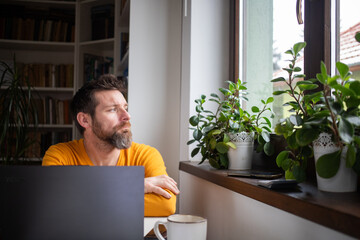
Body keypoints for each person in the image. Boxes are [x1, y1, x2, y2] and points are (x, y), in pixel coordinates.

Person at [42, 74, 179, 216]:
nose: (127, 116)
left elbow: (166, 205)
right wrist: (133, 186)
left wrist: (85, 198)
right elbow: (54, 203)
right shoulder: (60, 155)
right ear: (84, 120)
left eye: (125, 107)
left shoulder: (145, 155)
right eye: (113, 109)